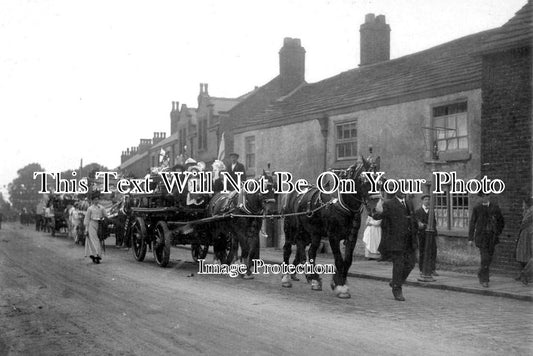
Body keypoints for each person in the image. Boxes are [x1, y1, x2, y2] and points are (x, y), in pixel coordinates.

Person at [372, 191, 417, 301]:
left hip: (409, 240)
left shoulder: (409, 203)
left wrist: (417, 226)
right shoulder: (389, 203)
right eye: (400, 190)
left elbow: (412, 218)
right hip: (395, 241)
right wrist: (377, 207)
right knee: (399, 265)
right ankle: (397, 289)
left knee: (411, 263)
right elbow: (378, 216)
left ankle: (396, 282)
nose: (403, 192)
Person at [468, 192, 505, 288]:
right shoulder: (477, 208)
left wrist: (497, 232)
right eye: (483, 196)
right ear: (481, 197)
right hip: (481, 237)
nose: (485, 198)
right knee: (485, 258)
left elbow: (501, 222)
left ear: (489, 197)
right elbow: (472, 223)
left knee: (489, 258)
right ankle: (485, 280)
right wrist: (470, 238)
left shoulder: (495, 208)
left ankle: (481, 272)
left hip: (492, 238)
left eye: (487, 196)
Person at [415, 194, 438, 276]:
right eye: (425, 199)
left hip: (431, 235)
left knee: (433, 251)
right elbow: (417, 223)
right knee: (422, 252)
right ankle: (422, 269)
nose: (427, 201)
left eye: (428, 199)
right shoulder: (418, 211)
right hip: (422, 235)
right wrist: (422, 225)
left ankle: (432, 269)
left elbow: (434, 222)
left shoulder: (432, 211)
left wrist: (435, 233)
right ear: (422, 201)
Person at [83, 192, 108, 264]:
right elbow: (87, 218)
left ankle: (97, 255)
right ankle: (96, 255)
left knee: (98, 240)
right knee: (94, 240)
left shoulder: (102, 208)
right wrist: (86, 228)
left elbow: (106, 216)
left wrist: (103, 220)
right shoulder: (90, 209)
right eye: (95, 200)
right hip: (91, 224)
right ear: (92, 201)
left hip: (99, 224)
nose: (96, 201)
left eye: (97, 199)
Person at [515, 196, 533, 285]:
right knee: (525, 254)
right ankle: (524, 273)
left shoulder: (530, 211)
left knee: (526, 254)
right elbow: (524, 223)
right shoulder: (529, 211)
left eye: (523, 204)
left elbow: (523, 223)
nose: (522, 206)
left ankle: (524, 273)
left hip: (528, 234)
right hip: (528, 234)